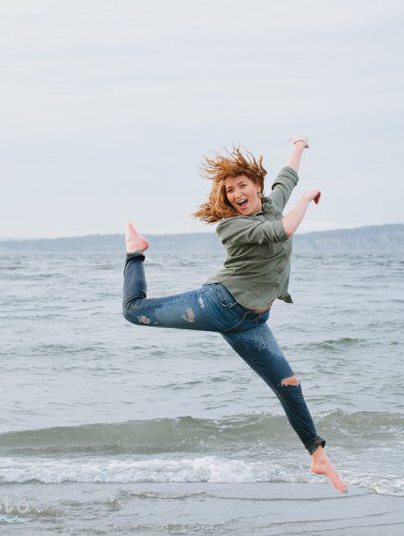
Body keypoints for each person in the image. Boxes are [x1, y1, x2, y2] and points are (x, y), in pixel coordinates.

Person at [122, 137, 347, 493]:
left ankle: (318, 456)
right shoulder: (231, 227)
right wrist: (306, 200)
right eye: (229, 190)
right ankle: (135, 251)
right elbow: (282, 230)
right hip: (218, 305)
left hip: (253, 323)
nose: (236, 194)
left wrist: (299, 146)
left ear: (257, 185)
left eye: (242, 185)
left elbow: (286, 178)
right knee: (134, 312)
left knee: (289, 385)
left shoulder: (271, 205)